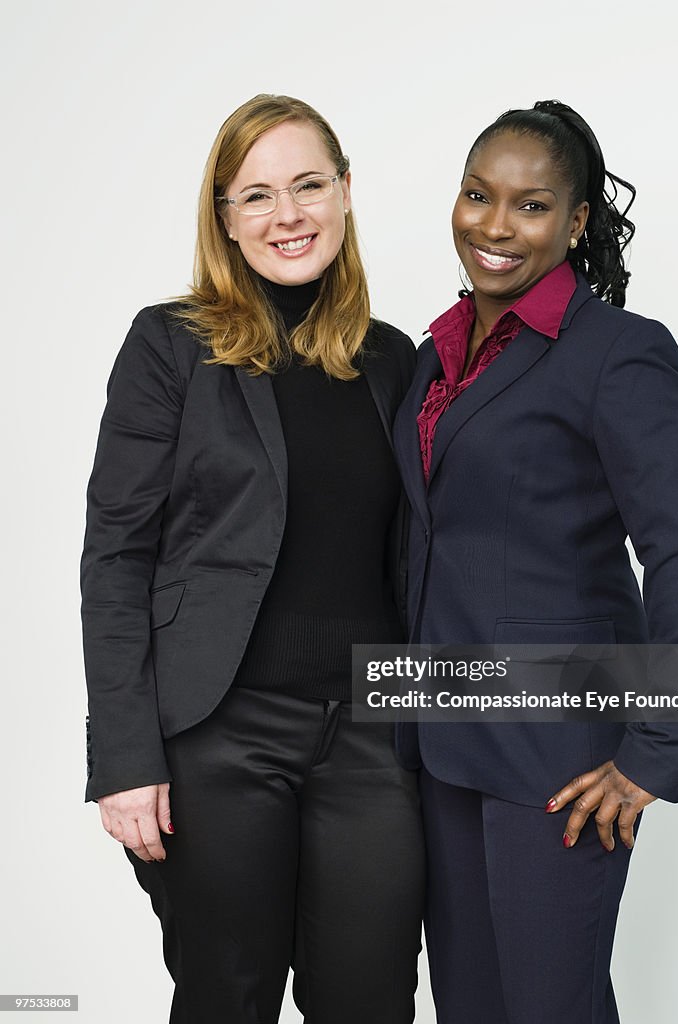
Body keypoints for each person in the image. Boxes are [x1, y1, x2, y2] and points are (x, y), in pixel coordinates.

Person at [81, 93, 424, 1024]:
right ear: (226, 220)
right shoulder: (170, 348)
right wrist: (122, 757)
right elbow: (114, 556)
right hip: (217, 733)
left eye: (309, 185)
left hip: (374, 736)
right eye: (258, 196)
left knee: (372, 1000)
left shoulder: (398, 362)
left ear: (347, 192)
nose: (289, 215)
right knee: (227, 997)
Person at [393, 101, 678, 1024]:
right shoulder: (433, 357)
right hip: (444, 745)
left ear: (576, 222)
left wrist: (661, 749)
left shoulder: (619, 355)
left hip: (560, 761)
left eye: (531, 205)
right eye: (477, 195)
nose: (495, 226)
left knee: (553, 1008)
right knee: (470, 1007)